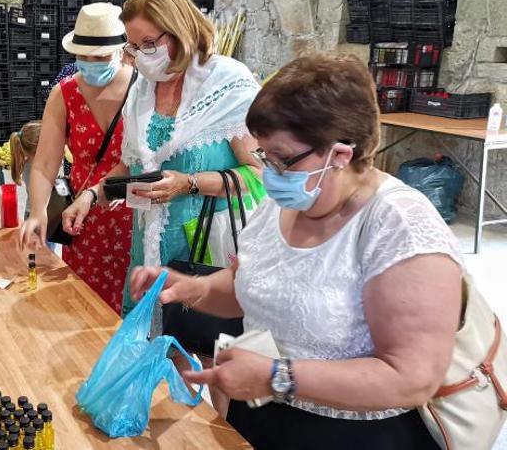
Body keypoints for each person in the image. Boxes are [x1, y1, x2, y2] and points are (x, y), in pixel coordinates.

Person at [130, 54, 463, 449]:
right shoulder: (288, 201)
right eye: (264, 157)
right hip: (261, 413)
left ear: (340, 155)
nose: (270, 173)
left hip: (352, 436)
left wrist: (277, 376)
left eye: (282, 159)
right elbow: (248, 286)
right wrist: (188, 289)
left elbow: (412, 377)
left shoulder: (399, 227)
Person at [64, 0, 262, 320]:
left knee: (194, 348)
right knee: (150, 348)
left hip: (205, 252)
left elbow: (261, 175)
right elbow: (129, 165)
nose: (142, 54)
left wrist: (189, 183)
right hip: (149, 248)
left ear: (180, 31)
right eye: (135, 46)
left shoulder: (228, 85)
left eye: (150, 43)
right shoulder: (142, 91)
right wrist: (91, 195)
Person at [19, 3, 135, 313]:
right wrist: (38, 211)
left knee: (132, 312)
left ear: (122, 51)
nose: (91, 65)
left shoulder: (143, 90)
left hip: (137, 219)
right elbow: (45, 163)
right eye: (83, 58)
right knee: (85, 307)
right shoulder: (65, 93)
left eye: (100, 58)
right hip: (82, 221)